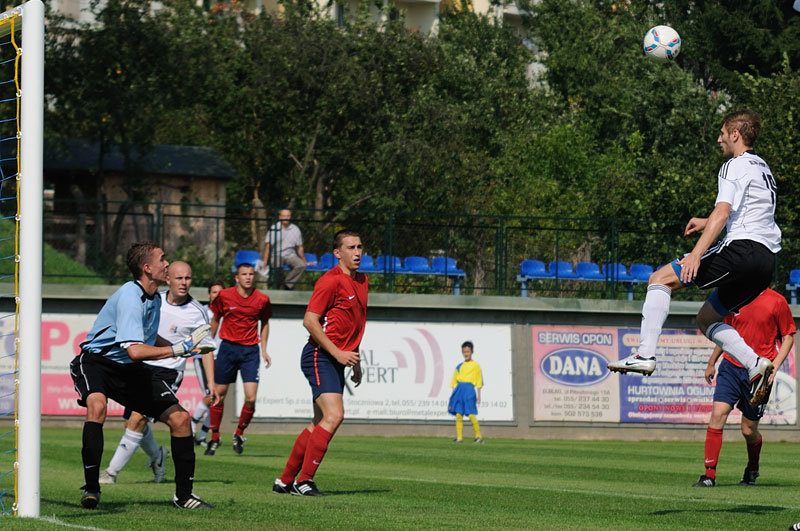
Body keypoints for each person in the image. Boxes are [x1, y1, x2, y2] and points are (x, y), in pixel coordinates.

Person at [608, 110, 780, 406]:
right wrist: (707, 219)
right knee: (707, 318)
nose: (719, 139)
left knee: (660, 279)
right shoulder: (763, 168)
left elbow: (724, 212)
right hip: (766, 262)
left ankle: (644, 355)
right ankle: (756, 365)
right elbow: (747, 213)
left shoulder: (733, 165)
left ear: (735, 134)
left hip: (742, 251)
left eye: (723, 133)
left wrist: (695, 255)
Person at [69, 242, 213, 510]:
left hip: (129, 370)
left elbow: (147, 339)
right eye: (162, 259)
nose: (167, 264)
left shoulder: (155, 297)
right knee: (97, 406)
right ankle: (92, 488)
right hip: (96, 363)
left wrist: (185, 347)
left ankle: (184, 497)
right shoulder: (129, 296)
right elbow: (135, 350)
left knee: (181, 419)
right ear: (148, 268)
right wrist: (176, 349)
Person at [98, 261, 218, 485]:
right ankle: (157, 456)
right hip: (141, 367)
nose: (184, 283)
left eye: (188, 278)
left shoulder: (198, 312)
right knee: (133, 423)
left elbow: (206, 348)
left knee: (138, 418)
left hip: (168, 373)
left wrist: (211, 381)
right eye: (179, 278)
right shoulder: (153, 300)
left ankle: (110, 473)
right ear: (168, 279)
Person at [273, 229, 366, 496]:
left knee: (319, 422)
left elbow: (355, 323)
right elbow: (310, 321)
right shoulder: (330, 281)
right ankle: (305, 481)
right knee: (334, 415)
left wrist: (355, 359)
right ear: (338, 253)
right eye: (351, 247)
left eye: (360, 247)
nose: (357, 252)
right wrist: (338, 353)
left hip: (336, 357)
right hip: (319, 354)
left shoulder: (362, 281)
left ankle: (285, 480)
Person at [692, 288, 795, 488]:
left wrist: (773, 368)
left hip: (760, 371)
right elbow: (726, 336)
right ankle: (708, 475)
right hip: (731, 366)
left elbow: (788, 337)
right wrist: (712, 362)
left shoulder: (778, 301)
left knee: (748, 430)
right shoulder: (738, 295)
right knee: (718, 414)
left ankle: (752, 468)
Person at [204, 263, 272, 455]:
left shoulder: (262, 299)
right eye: (244, 274)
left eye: (251, 274)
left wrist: (264, 349)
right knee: (218, 395)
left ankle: (239, 432)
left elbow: (265, 323)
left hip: (250, 351)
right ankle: (215, 436)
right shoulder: (224, 296)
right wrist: (208, 342)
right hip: (228, 349)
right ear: (237, 278)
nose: (248, 277)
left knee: (251, 397)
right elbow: (216, 318)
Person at [191, 279, 225, 446]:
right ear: (209, 294)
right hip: (203, 357)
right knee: (210, 395)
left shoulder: (227, 313)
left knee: (218, 398)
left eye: (220, 292)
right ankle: (191, 424)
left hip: (222, 358)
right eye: (214, 292)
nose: (217, 295)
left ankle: (203, 436)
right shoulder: (203, 312)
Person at [263, 208, 312, 290]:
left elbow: (299, 247)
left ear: (290, 217)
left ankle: (286, 285)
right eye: (284, 216)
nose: (286, 218)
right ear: (280, 217)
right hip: (276, 254)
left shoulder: (295, 229)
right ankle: (281, 286)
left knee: (301, 265)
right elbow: (268, 247)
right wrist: (264, 262)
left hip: (291, 255)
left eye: (288, 216)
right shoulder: (274, 228)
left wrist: (305, 261)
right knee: (277, 265)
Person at [448, 341, 484, 444]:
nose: (466, 353)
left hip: (469, 390)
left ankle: (479, 436)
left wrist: (479, 395)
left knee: (471, 414)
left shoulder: (476, 365)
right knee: (459, 415)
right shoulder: (459, 366)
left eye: (468, 351)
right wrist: (453, 395)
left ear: (472, 352)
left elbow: (479, 380)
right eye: (464, 352)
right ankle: (459, 438)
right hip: (459, 390)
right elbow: (454, 382)